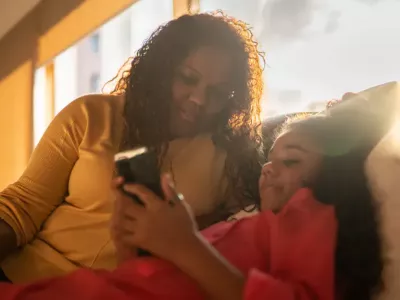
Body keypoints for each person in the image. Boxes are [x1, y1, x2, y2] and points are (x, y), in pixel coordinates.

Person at [0, 113, 384, 300]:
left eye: (292, 160)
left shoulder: (310, 213)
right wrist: (131, 244)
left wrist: (183, 245)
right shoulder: (253, 224)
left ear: (335, 174)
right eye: (272, 158)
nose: (270, 168)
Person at [0, 13, 264, 283]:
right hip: (21, 278)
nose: (198, 99)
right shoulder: (92, 115)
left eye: (217, 93)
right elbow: (21, 207)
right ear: (162, 69)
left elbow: (226, 244)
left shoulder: (229, 163)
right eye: (187, 78)